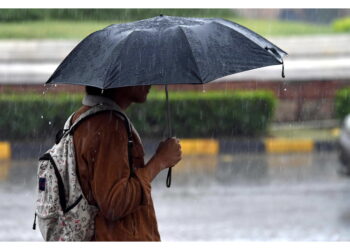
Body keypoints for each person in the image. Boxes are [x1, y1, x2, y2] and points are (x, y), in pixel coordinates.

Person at [71, 85, 182, 241]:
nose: (149, 82)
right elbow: (114, 203)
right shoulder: (109, 126)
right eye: (141, 73)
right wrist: (159, 161)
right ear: (121, 82)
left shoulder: (82, 117)